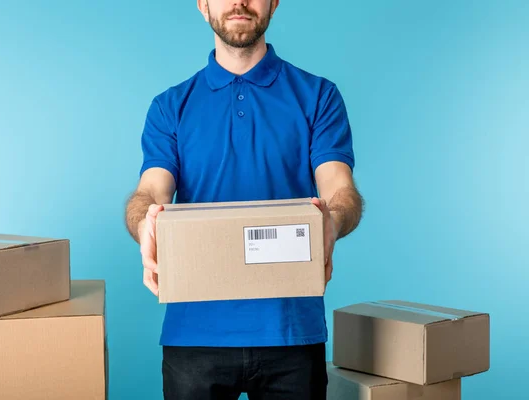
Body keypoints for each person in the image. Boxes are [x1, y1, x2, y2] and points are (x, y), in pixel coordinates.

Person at [125, 0, 364, 399]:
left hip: (291, 331)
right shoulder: (170, 106)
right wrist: (144, 222)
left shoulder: (318, 96)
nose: (239, 2)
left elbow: (339, 189)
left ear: (273, 3)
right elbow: (150, 191)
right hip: (194, 333)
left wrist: (332, 221)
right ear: (203, 5)